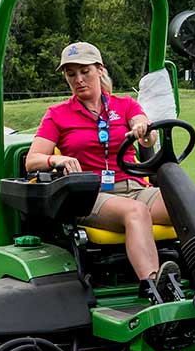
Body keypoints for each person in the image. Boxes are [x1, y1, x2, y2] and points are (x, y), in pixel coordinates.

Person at [25, 42, 178, 300]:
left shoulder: (125, 106)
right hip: (91, 195)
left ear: (99, 70)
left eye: (84, 71)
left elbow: (144, 132)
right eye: (71, 74)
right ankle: (153, 288)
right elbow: (33, 160)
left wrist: (144, 130)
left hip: (135, 187)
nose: (78, 79)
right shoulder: (58, 115)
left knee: (191, 198)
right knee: (135, 212)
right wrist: (56, 161)